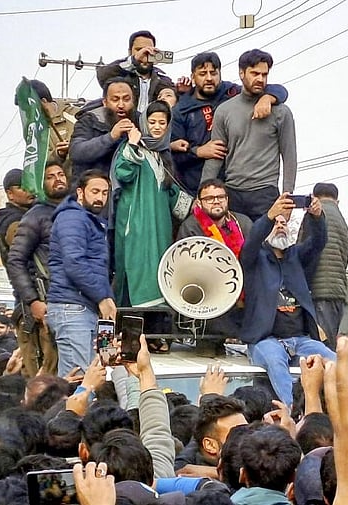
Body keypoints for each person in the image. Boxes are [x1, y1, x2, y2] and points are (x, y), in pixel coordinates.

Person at [239, 194, 336, 405]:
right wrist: (269, 215)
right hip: (266, 340)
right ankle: (295, 413)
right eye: (276, 223)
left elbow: (319, 242)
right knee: (275, 363)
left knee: (335, 361)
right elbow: (252, 240)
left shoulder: (296, 256)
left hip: (301, 340)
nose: (281, 225)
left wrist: (317, 217)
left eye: (284, 223)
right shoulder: (253, 258)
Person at [170, 52, 288, 196]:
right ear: (193, 76)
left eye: (213, 73)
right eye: (202, 73)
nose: (209, 78)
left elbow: (277, 89)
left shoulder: (232, 93)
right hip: (196, 187)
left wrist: (268, 98)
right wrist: (198, 152)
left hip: (235, 185)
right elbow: (173, 155)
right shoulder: (181, 110)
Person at [112, 100, 192, 307]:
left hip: (160, 224)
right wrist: (132, 144)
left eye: (162, 123)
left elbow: (170, 191)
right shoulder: (132, 148)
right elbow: (123, 174)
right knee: (137, 267)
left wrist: (197, 206)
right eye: (152, 121)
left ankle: (155, 334)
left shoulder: (162, 154)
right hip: (136, 223)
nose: (157, 127)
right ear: (144, 123)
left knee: (159, 269)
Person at [202, 49, 297, 221]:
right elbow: (215, 156)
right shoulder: (224, 111)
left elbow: (289, 157)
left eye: (264, 74)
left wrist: (287, 199)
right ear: (241, 73)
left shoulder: (281, 112)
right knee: (231, 247)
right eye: (254, 73)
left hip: (265, 193)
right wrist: (203, 192)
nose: (260, 79)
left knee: (266, 247)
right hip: (232, 192)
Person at [46, 170, 117, 377]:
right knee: (79, 380)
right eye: (95, 191)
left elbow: (94, 267)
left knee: (91, 376)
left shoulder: (88, 219)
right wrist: (102, 297)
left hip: (83, 306)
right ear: (80, 192)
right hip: (72, 307)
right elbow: (74, 263)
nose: (100, 197)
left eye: (105, 193)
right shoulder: (72, 218)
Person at [6, 161, 69, 377]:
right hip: (43, 310)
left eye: (61, 174)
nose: (58, 179)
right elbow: (16, 260)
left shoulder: (77, 211)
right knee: (45, 380)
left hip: (72, 306)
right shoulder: (35, 216)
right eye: (50, 176)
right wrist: (33, 301)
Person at [175, 178, 253, 339]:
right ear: (199, 203)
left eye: (220, 197)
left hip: (241, 292)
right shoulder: (190, 226)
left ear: (227, 200)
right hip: (206, 294)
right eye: (209, 199)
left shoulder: (243, 223)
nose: (216, 202)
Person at [299, 182, 348, 347]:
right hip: (338, 291)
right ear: (337, 200)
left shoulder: (315, 215)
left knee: (319, 347)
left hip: (318, 290)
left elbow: (302, 252)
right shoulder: (341, 219)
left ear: (314, 197)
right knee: (330, 343)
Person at [96, 30, 175, 115]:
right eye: (139, 49)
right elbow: (102, 75)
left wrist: (184, 90)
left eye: (149, 50)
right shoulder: (120, 74)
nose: (144, 53)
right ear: (130, 52)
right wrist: (134, 60)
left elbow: (176, 100)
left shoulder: (163, 81)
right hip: (122, 125)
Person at [69, 78, 135, 178]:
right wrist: (111, 137)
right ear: (105, 102)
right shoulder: (90, 120)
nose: (121, 105)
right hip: (94, 187)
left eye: (126, 99)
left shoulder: (141, 121)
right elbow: (76, 152)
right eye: (115, 99)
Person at [0, 169, 35, 268]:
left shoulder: (31, 214)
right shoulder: (13, 222)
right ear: (10, 194)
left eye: (29, 185)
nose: (28, 190)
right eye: (21, 187)